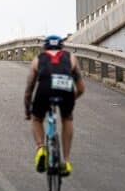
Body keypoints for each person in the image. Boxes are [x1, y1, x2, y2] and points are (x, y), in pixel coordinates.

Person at [24, 35, 85, 177]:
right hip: (65, 88)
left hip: (45, 89)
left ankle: (41, 149)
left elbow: (29, 89)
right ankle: (66, 161)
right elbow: (81, 88)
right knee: (67, 118)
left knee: (37, 118)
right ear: (61, 47)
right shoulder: (71, 58)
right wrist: (71, 100)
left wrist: (28, 110)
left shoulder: (38, 59)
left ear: (45, 48)